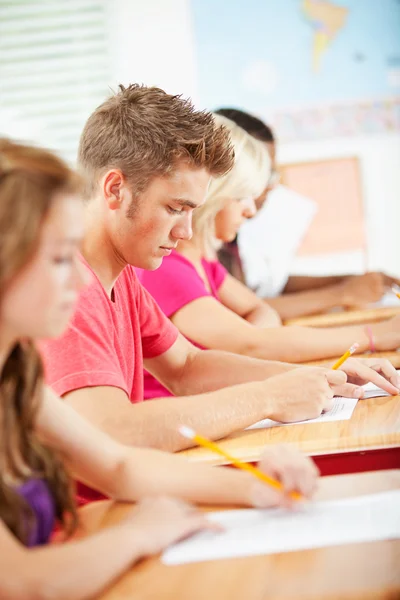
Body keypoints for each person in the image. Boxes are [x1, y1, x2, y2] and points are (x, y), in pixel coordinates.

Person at [0, 138, 320, 599]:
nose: (75, 277)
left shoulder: (17, 372)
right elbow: (23, 584)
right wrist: (139, 535)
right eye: (56, 259)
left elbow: (119, 466)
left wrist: (258, 486)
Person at [39, 85, 392, 496]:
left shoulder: (122, 275)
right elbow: (113, 430)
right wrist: (265, 398)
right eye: (174, 208)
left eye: (192, 210)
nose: (187, 231)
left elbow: (187, 367)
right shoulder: (68, 287)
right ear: (115, 189)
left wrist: (317, 378)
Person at [137, 114, 400, 399]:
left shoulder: (205, 264)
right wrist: (376, 335)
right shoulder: (167, 270)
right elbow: (252, 344)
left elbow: (260, 314)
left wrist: (254, 341)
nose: (250, 210)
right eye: (241, 197)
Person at [215, 108, 400, 320]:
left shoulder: (230, 237)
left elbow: (269, 285)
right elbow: (238, 313)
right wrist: (342, 294)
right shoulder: (206, 243)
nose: (272, 186)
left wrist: (350, 282)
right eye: (265, 175)